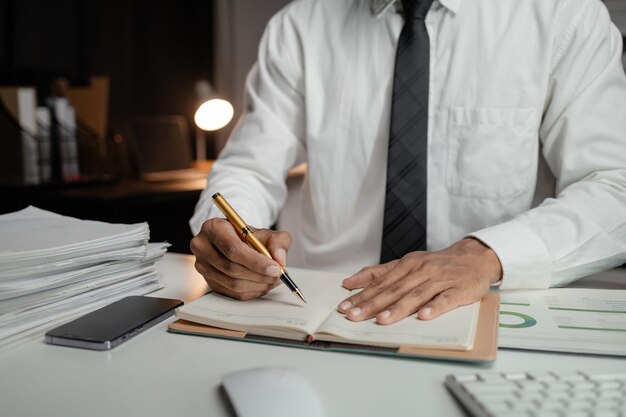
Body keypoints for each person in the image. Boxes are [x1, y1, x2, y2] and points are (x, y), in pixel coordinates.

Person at [190, 0, 626, 326]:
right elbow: (247, 169)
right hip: (323, 311)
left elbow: (615, 187)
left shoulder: (565, 17)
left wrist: (486, 255)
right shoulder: (298, 27)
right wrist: (229, 240)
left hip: (491, 309)